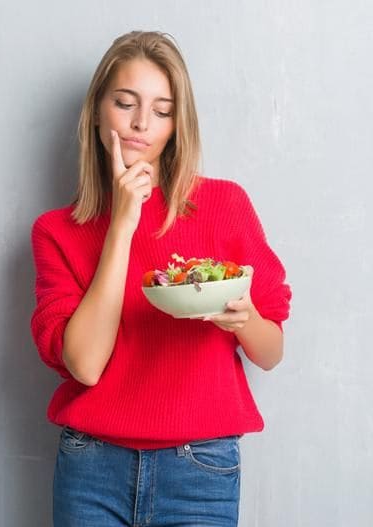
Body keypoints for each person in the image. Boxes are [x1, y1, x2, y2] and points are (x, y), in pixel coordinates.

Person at [30, 30, 292, 527]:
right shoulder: (56, 232)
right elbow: (84, 365)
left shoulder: (224, 205)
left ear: (178, 123)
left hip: (201, 470)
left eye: (162, 110)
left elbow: (271, 351)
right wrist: (122, 226)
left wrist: (244, 318)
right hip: (91, 468)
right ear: (97, 112)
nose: (141, 124)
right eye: (125, 103)